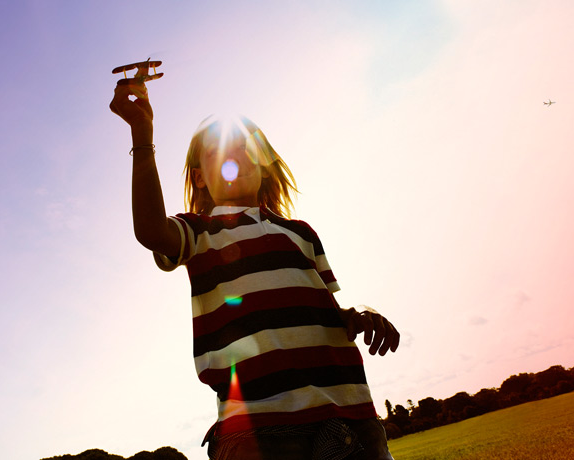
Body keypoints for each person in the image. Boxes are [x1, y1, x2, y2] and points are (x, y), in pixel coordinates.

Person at [109, 67, 400, 460]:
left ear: (262, 162)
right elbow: (150, 231)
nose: (234, 154)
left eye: (244, 146)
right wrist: (142, 136)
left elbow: (327, 311)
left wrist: (364, 314)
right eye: (217, 150)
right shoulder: (199, 232)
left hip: (349, 414)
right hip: (258, 428)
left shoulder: (301, 233)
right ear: (198, 178)